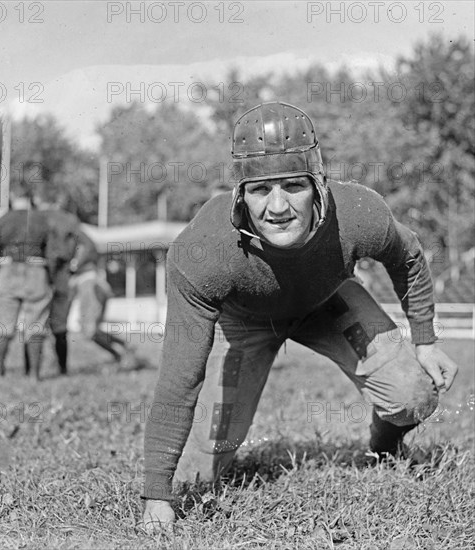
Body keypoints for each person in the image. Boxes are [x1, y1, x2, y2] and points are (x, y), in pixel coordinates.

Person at [141, 102, 459, 531]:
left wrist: (425, 339)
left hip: (328, 304)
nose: (277, 206)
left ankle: (385, 448)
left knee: (414, 395)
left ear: (319, 185)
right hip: (248, 323)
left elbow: (408, 255)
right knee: (194, 476)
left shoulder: (358, 213)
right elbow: (180, 378)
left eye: (293, 186)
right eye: (259, 191)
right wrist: (156, 494)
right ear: (239, 195)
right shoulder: (202, 252)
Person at [0, 183, 53, 379]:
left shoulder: (1, 221)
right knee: (36, 325)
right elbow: (51, 253)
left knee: (5, 325)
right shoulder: (43, 221)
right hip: (36, 270)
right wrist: (49, 278)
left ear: (12, 197)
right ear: (30, 198)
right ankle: (34, 374)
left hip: (8, 270)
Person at [69, 230, 138, 368]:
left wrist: (73, 265)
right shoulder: (77, 239)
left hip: (91, 285)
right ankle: (123, 348)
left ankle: (121, 351)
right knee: (89, 331)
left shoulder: (80, 238)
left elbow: (86, 248)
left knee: (89, 331)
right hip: (89, 285)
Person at [35, 186, 80, 376]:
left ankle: (32, 370)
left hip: (42, 273)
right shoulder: (71, 220)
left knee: (35, 322)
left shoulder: (38, 217)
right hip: (63, 274)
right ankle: (62, 368)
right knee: (60, 326)